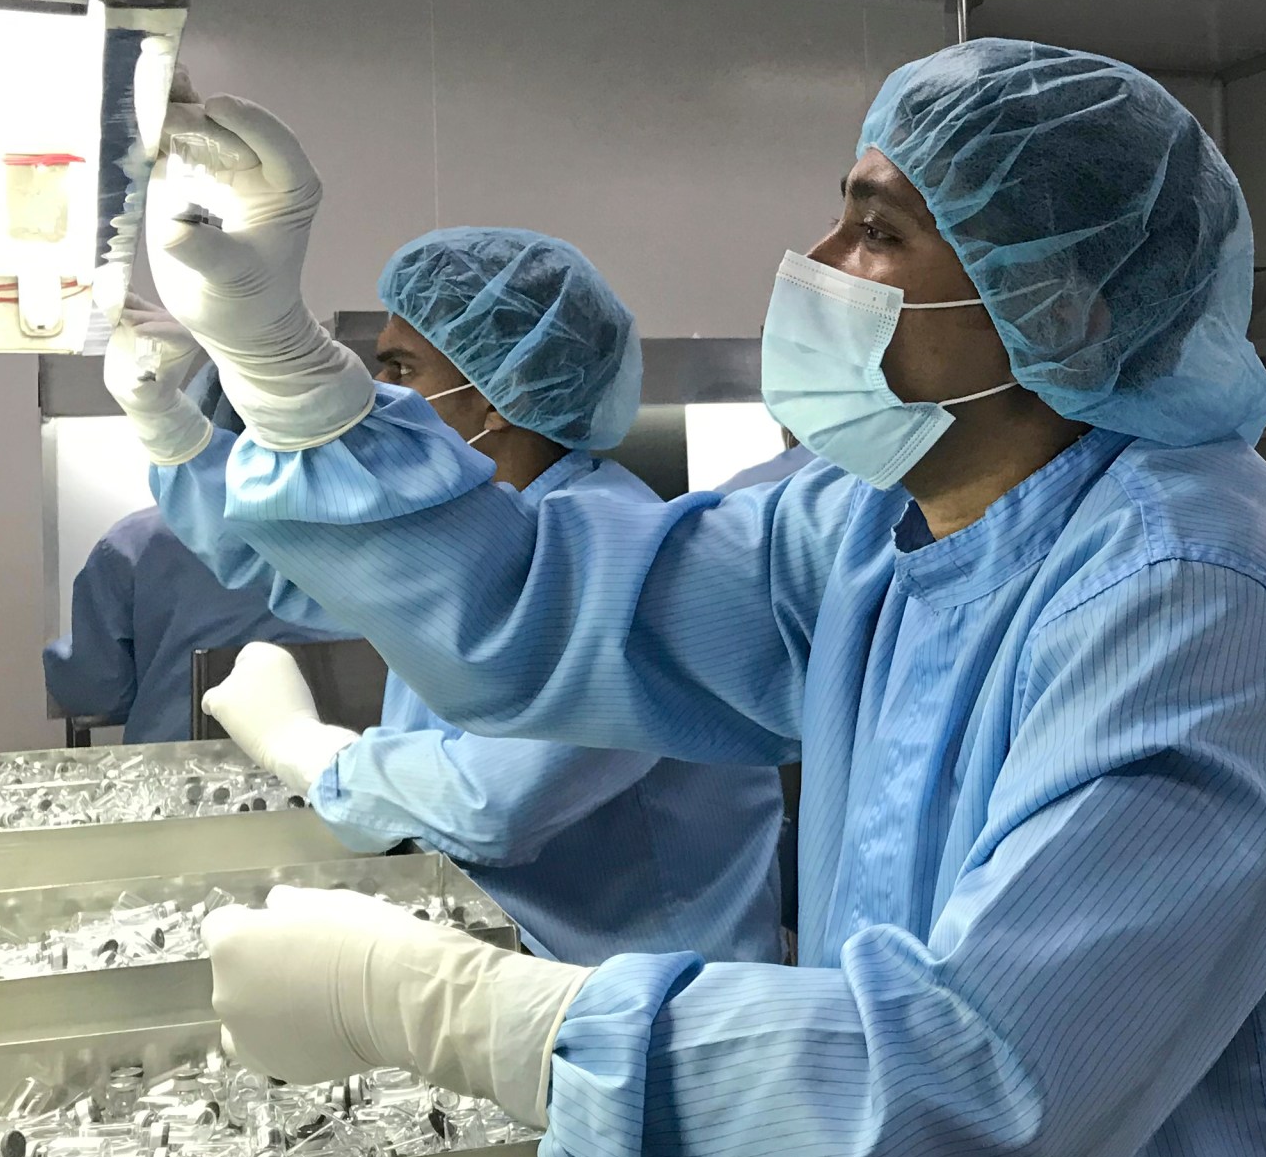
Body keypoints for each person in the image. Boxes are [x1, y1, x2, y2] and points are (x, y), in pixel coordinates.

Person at [138, 45, 1266, 1157]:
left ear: (1062, 306)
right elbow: (548, 616)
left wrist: (469, 1018)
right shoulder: (864, 521)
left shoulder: (1188, 598)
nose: (818, 260)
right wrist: (283, 365)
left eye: (879, 230)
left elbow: (983, 1077)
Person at [112, 224, 784, 967]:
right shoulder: (493, 527)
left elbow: (490, 805)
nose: (381, 395)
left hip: (650, 985)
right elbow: (302, 569)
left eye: (402, 368)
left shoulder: (615, 548)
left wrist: (303, 749)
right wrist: (172, 428)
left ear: (501, 394)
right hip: (532, 959)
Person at [41, 506, 347, 744]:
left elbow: (92, 691)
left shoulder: (137, 541)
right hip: (352, 777)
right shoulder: (376, 534)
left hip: (181, 789)